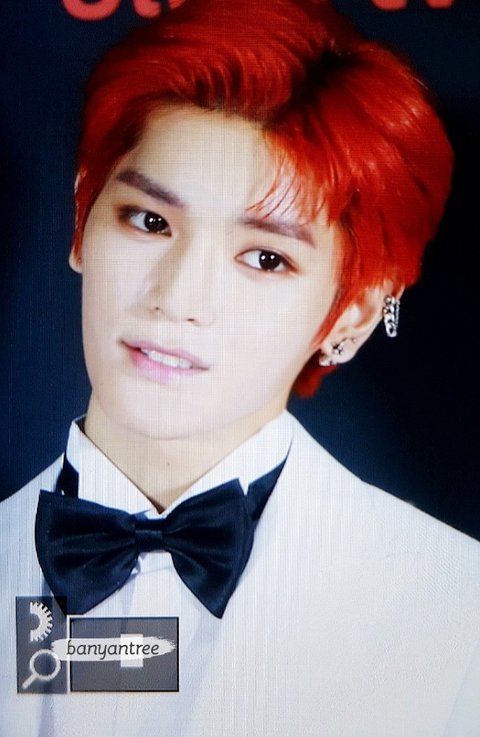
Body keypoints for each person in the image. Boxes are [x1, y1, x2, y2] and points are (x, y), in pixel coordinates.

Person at [1, 1, 479, 735]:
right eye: (150, 221)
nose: (178, 298)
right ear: (81, 220)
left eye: (264, 258)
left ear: (351, 315)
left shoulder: (452, 609)